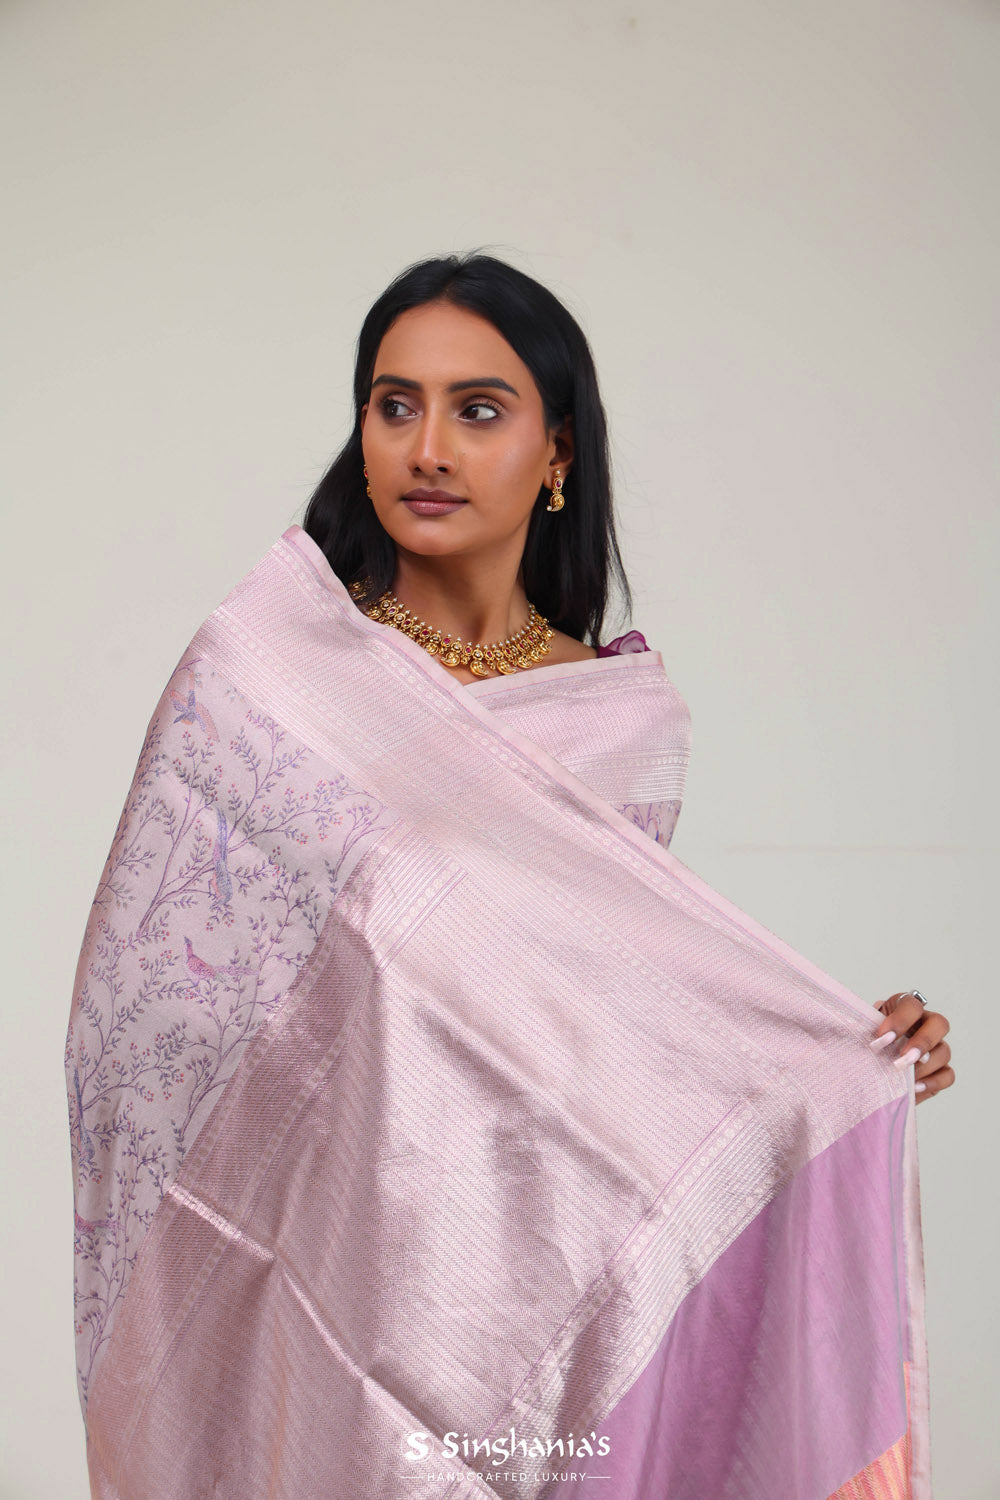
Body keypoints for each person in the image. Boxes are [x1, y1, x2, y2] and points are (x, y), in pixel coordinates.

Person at [65, 252, 953, 1499]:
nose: (427, 448)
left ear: (556, 454)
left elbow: (599, 1042)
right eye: (395, 406)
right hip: (303, 1261)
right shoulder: (269, 680)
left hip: (492, 1287)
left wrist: (830, 1067)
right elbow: (143, 1011)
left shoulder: (622, 722)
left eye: (477, 410)